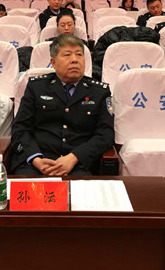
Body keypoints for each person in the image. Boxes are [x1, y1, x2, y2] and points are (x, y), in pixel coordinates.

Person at [10, 34, 114, 176]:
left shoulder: (99, 91)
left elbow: (105, 134)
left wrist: (74, 157)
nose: (74, 60)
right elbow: (20, 128)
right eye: (67, 55)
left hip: (79, 165)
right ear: (53, 63)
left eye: (79, 55)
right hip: (37, 163)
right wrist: (36, 159)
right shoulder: (37, 87)